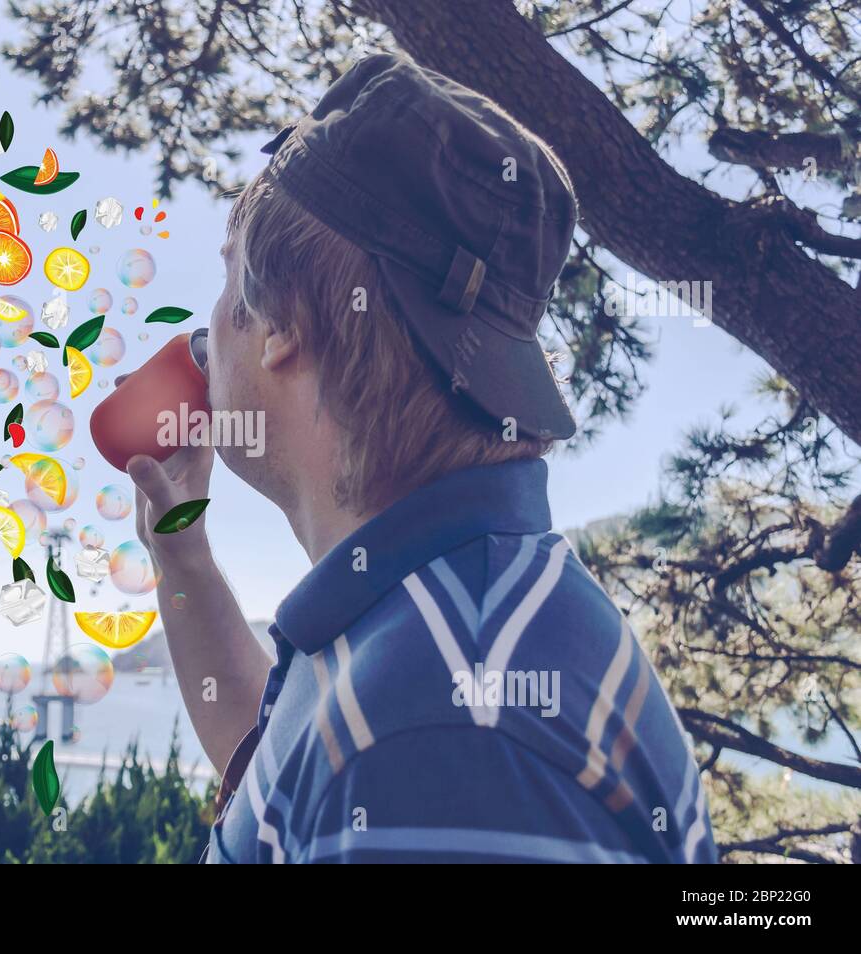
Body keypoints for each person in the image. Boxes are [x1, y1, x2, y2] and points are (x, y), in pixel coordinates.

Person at [125, 54, 717, 864]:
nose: (201, 343)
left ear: (282, 323)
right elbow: (288, 774)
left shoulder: (441, 728)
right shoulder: (430, 615)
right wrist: (181, 557)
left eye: (228, 288)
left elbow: (375, 757)